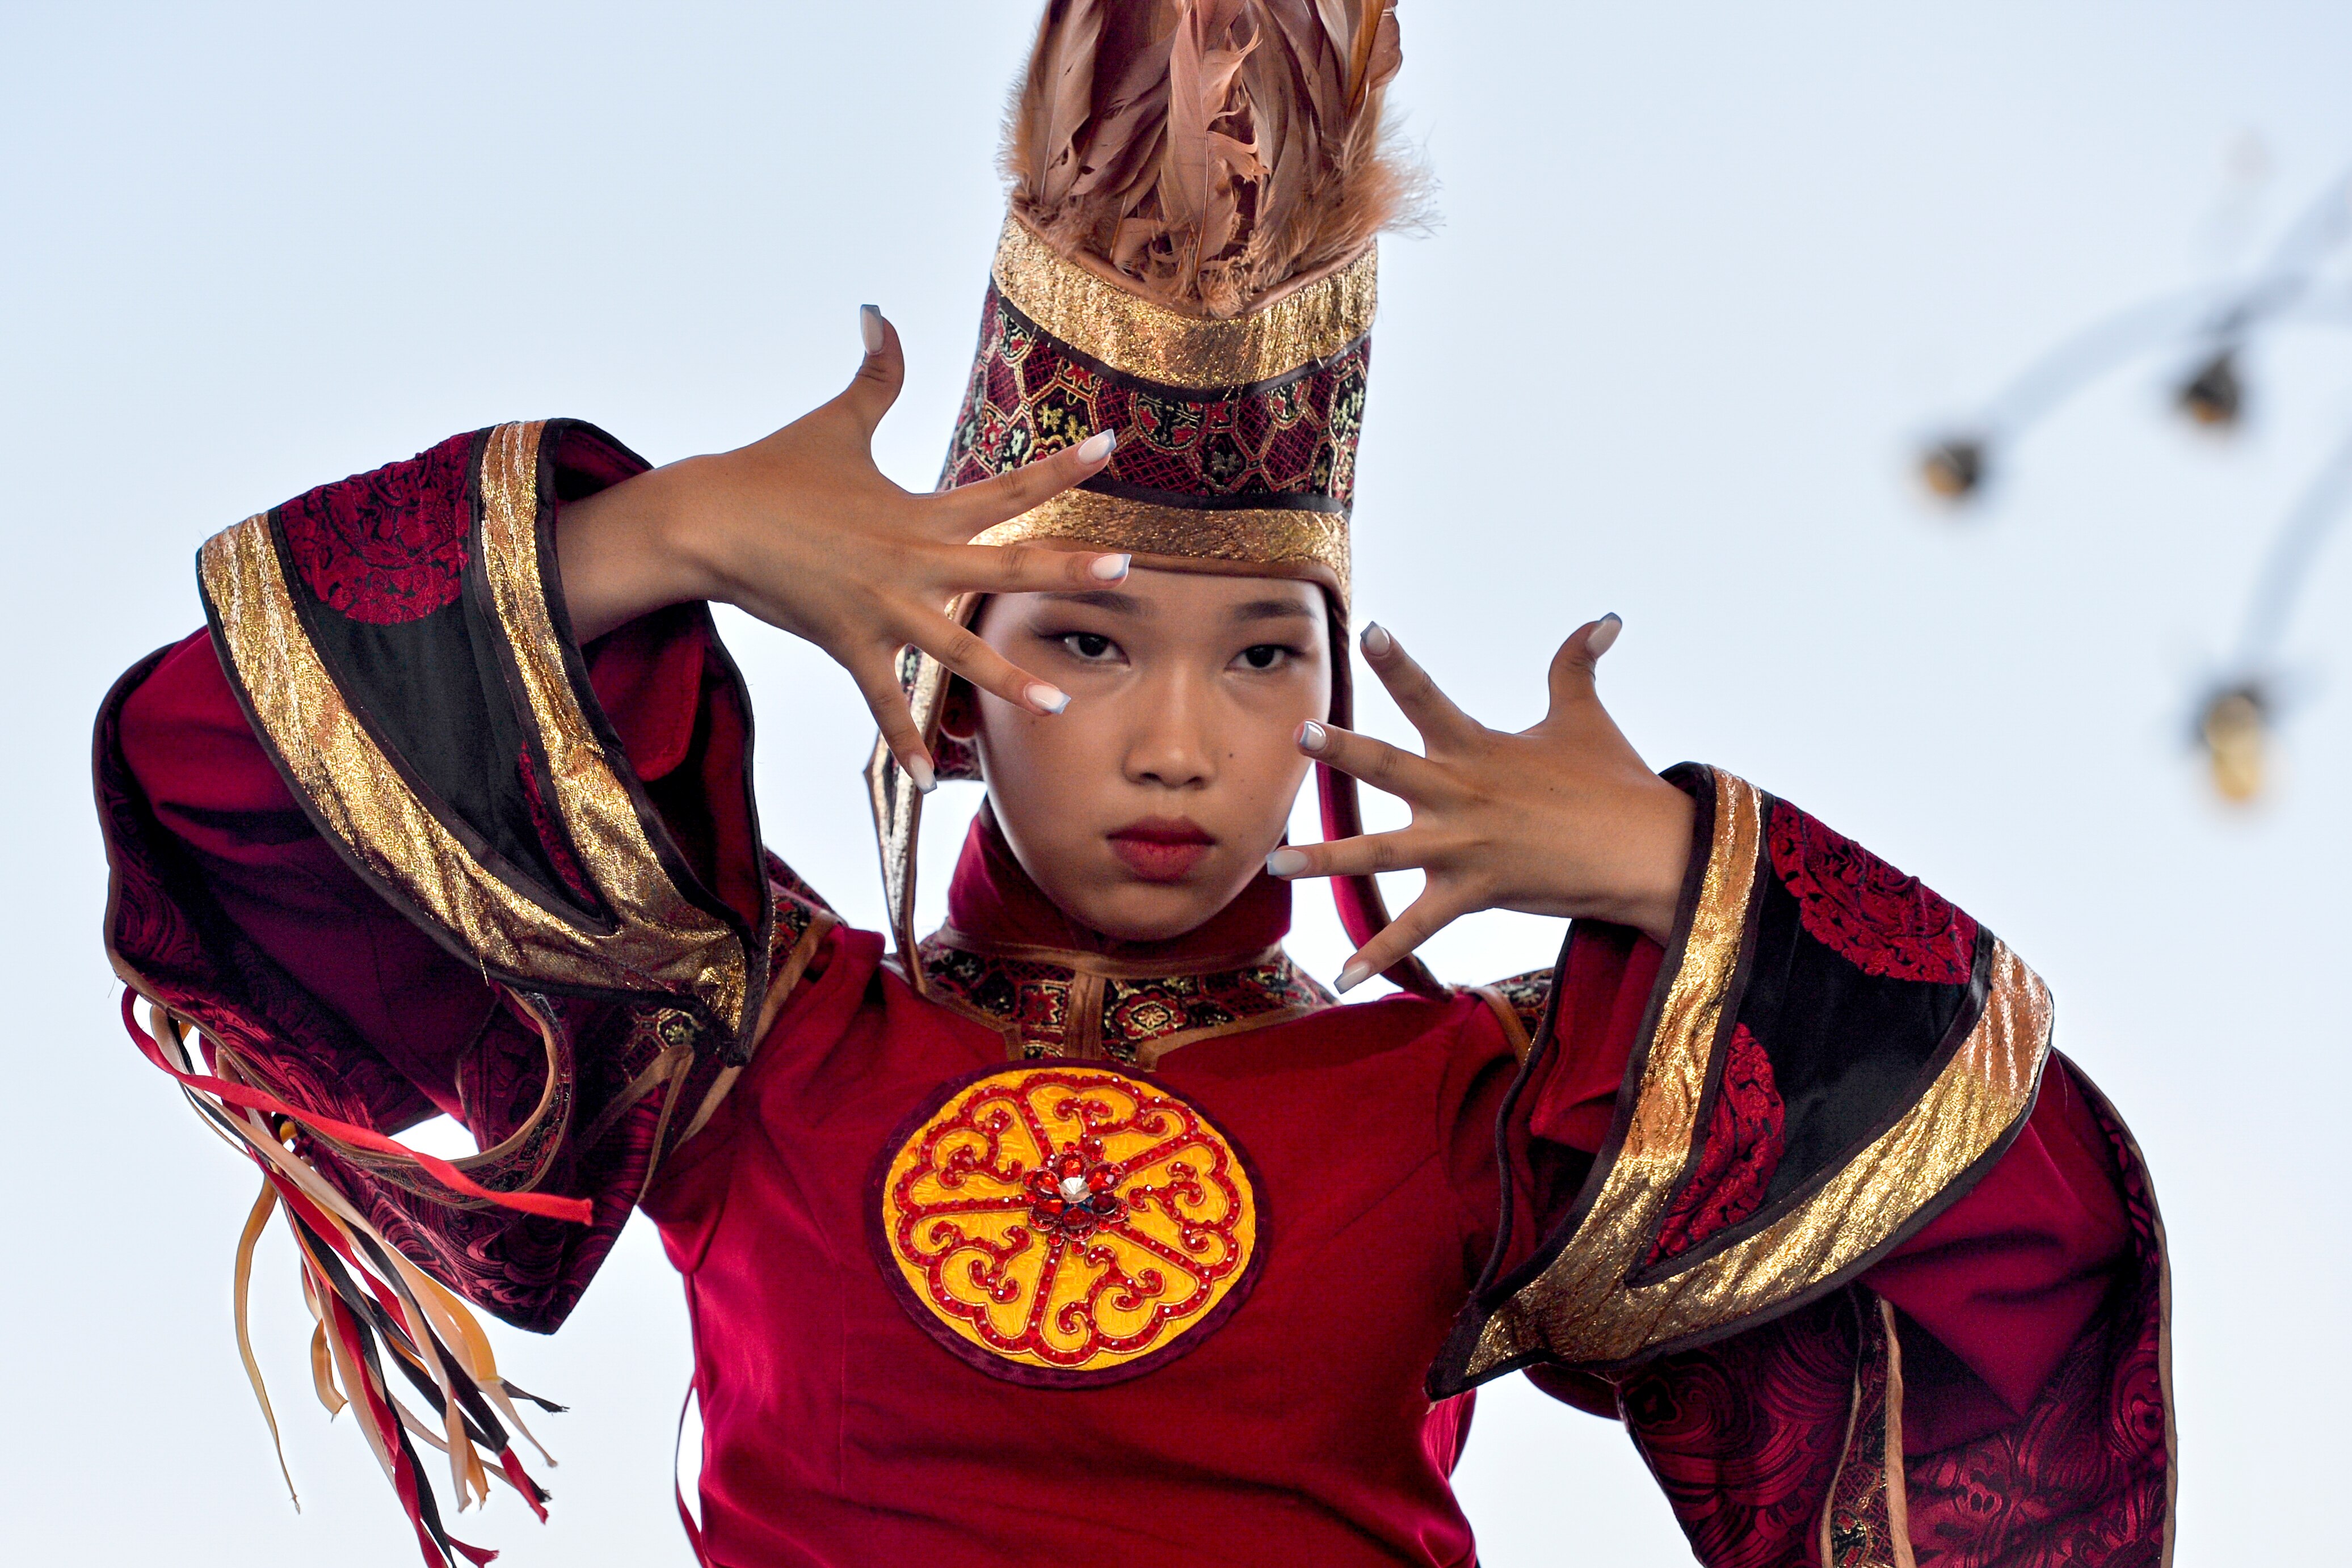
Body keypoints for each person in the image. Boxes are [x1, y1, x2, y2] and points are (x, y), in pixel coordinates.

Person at [92, 4, 2170, 1565]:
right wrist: (673, 536)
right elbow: (211, 760)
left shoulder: (1460, 1109)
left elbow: (2028, 1242)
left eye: (1263, 656)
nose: (1183, 738)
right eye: (1085, 643)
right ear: (952, 686)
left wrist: (1676, 864)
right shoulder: (763, 1034)